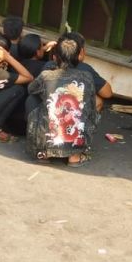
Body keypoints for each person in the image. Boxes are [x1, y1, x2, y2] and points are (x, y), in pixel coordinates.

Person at [25, 31, 113, 165]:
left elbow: (31, 89)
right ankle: (75, 155)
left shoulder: (47, 71)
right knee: (96, 101)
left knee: (33, 99)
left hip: (49, 130)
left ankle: (43, 152)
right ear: (80, 53)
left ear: (55, 56)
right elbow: (107, 94)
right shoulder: (86, 74)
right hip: (72, 126)